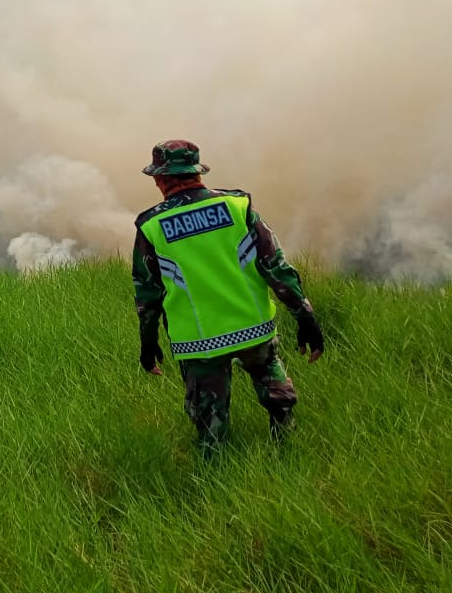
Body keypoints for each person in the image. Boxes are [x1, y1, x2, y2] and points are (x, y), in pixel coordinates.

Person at [132, 140, 325, 449]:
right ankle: (287, 452)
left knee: (211, 428)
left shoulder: (152, 225)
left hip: (199, 342)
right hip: (253, 328)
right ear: (197, 172)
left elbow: (147, 292)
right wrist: (306, 317)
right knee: (280, 404)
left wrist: (148, 340)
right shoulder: (237, 207)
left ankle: (214, 478)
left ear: (160, 179)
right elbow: (275, 267)